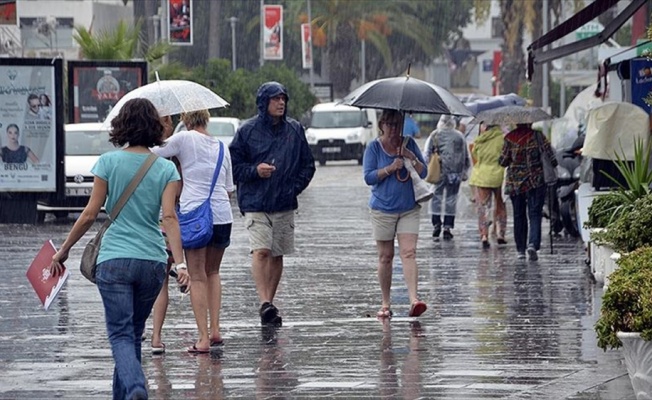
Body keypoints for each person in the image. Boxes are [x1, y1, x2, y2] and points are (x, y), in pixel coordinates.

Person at [48, 98, 189, 400]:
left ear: (121, 126)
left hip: (114, 261)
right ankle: (124, 394)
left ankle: (137, 388)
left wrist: (64, 249)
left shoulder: (108, 162)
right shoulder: (166, 168)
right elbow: (169, 217)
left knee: (121, 335)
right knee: (132, 334)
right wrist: (180, 265)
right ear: (154, 127)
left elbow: (89, 214)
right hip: (152, 262)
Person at [229, 81, 315, 326]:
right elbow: (234, 168)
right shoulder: (247, 131)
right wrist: (255, 171)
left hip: (284, 202)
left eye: (283, 99)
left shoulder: (295, 130)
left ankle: (270, 303)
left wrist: (293, 188)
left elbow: (308, 166)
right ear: (264, 102)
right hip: (255, 203)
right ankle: (264, 302)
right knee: (262, 250)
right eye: (275, 99)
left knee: (277, 254)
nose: (281, 103)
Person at [152, 109, 234, 353]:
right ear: (206, 118)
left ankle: (203, 338)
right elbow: (229, 188)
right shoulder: (222, 146)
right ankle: (216, 329)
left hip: (195, 215)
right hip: (221, 215)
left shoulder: (185, 138)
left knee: (197, 276)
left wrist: (162, 127)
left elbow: (154, 153)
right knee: (214, 272)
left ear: (185, 120)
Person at [362, 109, 428, 319]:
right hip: (383, 209)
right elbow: (369, 177)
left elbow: (424, 171)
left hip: (409, 207)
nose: (393, 129)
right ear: (382, 124)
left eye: (397, 124)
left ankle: (414, 299)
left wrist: (410, 157)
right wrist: (391, 168)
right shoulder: (374, 147)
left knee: (409, 252)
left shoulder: (408, 143)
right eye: (389, 124)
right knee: (386, 257)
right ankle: (385, 303)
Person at [499, 123, 558, 261]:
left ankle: (520, 249)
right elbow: (551, 157)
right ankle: (532, 244)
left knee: (518, 215)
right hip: (535, 180)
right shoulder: (538, 136)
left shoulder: (509, 138)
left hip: (515, 182)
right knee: (535, 213)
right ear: (530, 122)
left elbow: (502, 161)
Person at [423, 114, 471, 240]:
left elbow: (427, 154)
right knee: (451, 199)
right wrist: (465, 171)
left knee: (436, 198)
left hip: (438, 172)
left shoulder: (434, 135)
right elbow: (466, 156)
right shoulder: (459, 136)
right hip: (455, 174)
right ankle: (447, 227)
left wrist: (426, 168)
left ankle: (436, 224)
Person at [469, 122, 507, 248]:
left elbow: (475, 155)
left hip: (482, 176)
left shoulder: (480, 139)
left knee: (482, 208)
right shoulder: (503, 138)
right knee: (500, 205)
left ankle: (484, 235)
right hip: (499, 176)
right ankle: (500, 234)